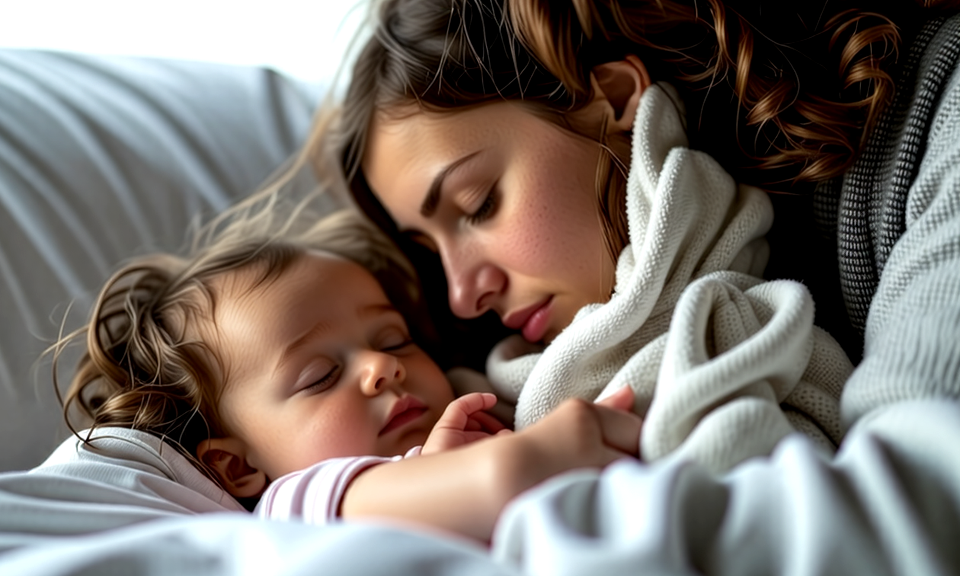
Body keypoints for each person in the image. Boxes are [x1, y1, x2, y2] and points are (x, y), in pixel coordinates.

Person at [318, 0, 960, 571]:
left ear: (617, 99)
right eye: (430, 251)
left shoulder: (943, 126)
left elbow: (918, 508)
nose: (464, 294)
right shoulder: (486, 394)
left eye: (479, 203)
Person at [52, 208, 641, 544]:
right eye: (319, 376)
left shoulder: (482, 396)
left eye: (394, 340)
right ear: (238, 466)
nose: (382, 368)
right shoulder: (296, 505)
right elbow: (503, 480)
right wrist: (542, 450)